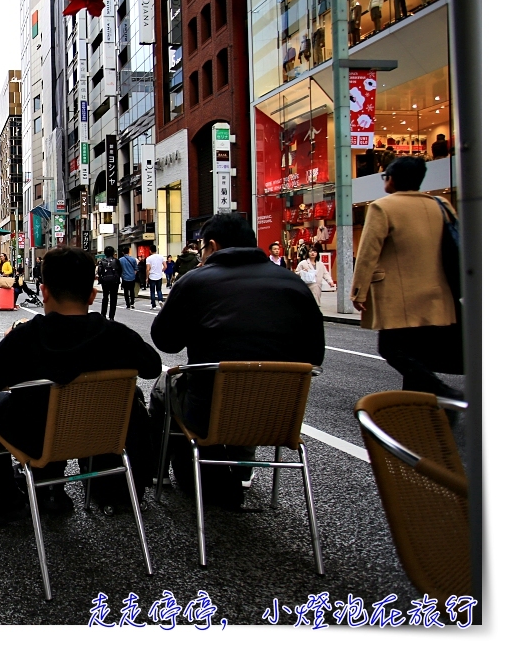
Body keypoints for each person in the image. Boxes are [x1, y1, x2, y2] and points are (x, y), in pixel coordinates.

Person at [0, 246, 163, 525]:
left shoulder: (27, 336)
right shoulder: (115, 334)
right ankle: (53, 491)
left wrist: (13, 350)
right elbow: (153, 366)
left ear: (44, 292)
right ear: (93, 295)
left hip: (35, 436)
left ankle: (9, 496)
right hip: (103, 434)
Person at [150, 213, 324, 507]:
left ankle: (159, 472)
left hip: (207, 412)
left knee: (163, 386)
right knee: (254, 384)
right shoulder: (293, 284)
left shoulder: (195, 281)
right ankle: (243, 465)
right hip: (278, 415)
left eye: (203, 249)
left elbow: (165, 341)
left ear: (213, 246)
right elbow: (314, 355)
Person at [351, 157, 462, 404]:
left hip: (400, 296)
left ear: (391, 178)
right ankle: (421, 407)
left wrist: (358, 292)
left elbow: (368, 253)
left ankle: (442, 392)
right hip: (438, 293)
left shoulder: (383, 207)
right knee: (417, 354)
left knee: (391, 349)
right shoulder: (441, 204)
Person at [95, 246, 121, 320]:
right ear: (113, 252)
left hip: (105, 281)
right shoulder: (116, 261)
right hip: (114, 281)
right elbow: (120, 270)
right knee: (113, 298)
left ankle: (103, 314)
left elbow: (99, 271)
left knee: (105, 297)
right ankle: (111, 316)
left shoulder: (102, 261)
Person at [145, 244, 166, 308]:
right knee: (159, 290)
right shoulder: (161, 257)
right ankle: (160, 300)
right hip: (159, 276)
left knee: (152, 291)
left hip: (152, 276)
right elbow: (165, 266)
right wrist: (161, 270)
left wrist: (147, 277)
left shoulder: (149, 258)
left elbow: (148, 269)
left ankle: (153, 305)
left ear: (150, 251)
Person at [119, 245, 139, 310]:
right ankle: (132, 303)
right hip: (132, 277)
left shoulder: (120, 260)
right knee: (132, 290)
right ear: (128, 252)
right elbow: (136, 269)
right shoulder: (133, 259)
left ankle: (127, 304)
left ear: (123, 252)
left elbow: (119, 269)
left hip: (124, 277)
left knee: (126, 291)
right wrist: (133, 274)